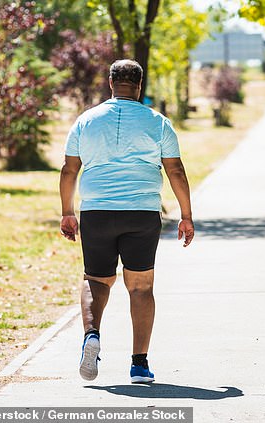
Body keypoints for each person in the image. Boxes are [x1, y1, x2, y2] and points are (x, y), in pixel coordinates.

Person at [59, 59, 195, 383]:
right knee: (141, 286)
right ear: (139, 85)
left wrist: (67, 211)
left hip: (96, 212)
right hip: (142, 213)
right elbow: (175, 170)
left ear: (110, 82)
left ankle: (92, 336)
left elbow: (68, 170)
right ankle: (139, 364)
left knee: (96, 279)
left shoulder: (86, 121)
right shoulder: (158, 122)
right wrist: (186, 215)